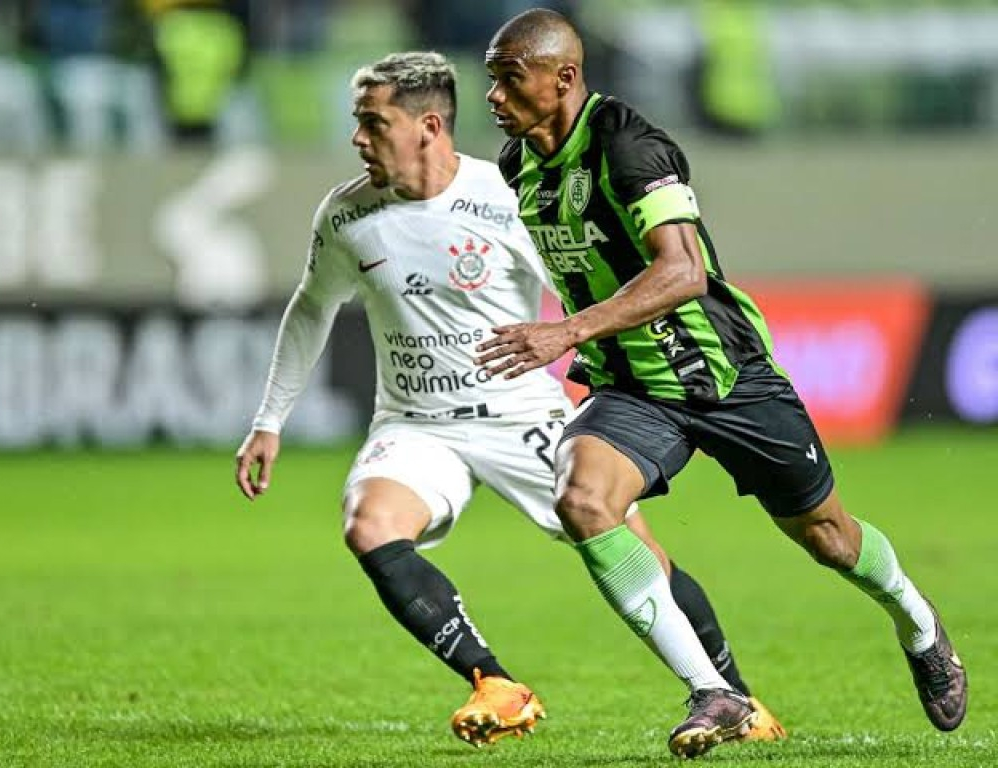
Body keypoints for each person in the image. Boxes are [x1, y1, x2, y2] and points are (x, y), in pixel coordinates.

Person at [235, 50, 785, 749]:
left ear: (428, 125)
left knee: (634, 551)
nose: (358, 139)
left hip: (521, 414)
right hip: (416, 422)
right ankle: (493, 682)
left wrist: (608, 361)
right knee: (368, 524)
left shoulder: (505, 197)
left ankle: (733, 693)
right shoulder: (347, 215)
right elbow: (309, 310)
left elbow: (590, 282)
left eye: (373, 123)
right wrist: (268, 421)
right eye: (358, 123)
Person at [479, 8, 967, 759]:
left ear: (564, 78)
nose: (495, 98)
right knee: (582, 498)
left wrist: (566, 331)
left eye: (510, 79)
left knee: (829, 539)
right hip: (634, 389)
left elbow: (683, 271)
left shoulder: (628, 144)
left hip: (725, 378)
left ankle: (916, 620)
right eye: (491, 82)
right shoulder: (520, 166)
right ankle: (716, 691)